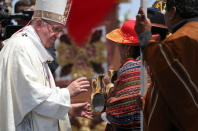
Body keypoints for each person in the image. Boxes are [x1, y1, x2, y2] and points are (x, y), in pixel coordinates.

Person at [0, 0, 92, 131]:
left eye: (61, 30)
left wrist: (67, 110)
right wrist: (67, 93)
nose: (59, 36)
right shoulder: (21, 47)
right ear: (38, 24)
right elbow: (30, 96)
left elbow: (35, 99)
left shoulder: (34, 47)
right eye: (56, 29)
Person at [135, 0, 198, 130]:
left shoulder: (179, 40)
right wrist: (147, 102)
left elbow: (169, 77)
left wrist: (144, 36)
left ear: (172, 13)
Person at [104, 20, 152, 131]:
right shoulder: (152, 62)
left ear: (128, 49)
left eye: (119, 46)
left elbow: (116, 113)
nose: (118, 50)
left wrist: (109, 90)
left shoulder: (129, 68)